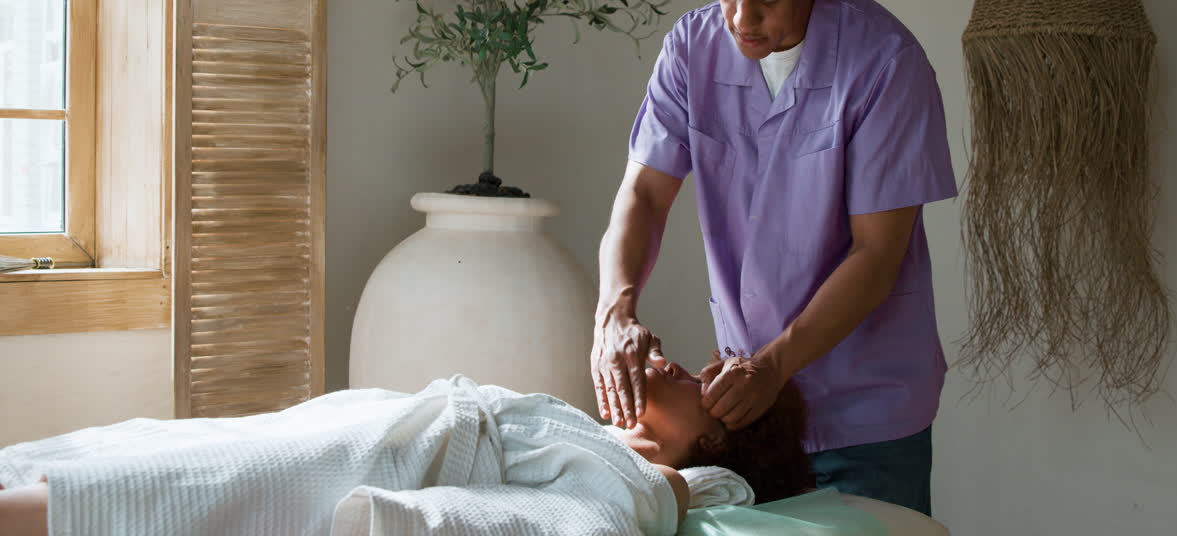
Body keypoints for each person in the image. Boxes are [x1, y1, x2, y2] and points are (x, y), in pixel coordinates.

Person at [592, 0, 957, 516]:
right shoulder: (692, 50)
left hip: (867, 408)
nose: (742, 18)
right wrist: (614, 309)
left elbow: (878, 254)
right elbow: (643, 194)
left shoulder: (885, 64)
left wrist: (776, 364)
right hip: (748, 418)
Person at [0, 359, 811, 536]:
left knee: (196, 487)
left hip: (381, 462)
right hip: (378, 423)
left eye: (698, 380)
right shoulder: (601, 438)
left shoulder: (638, 482)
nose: (672, 365)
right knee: (170, 448)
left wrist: (405, 519)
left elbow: (563, 526)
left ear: (714, 435)